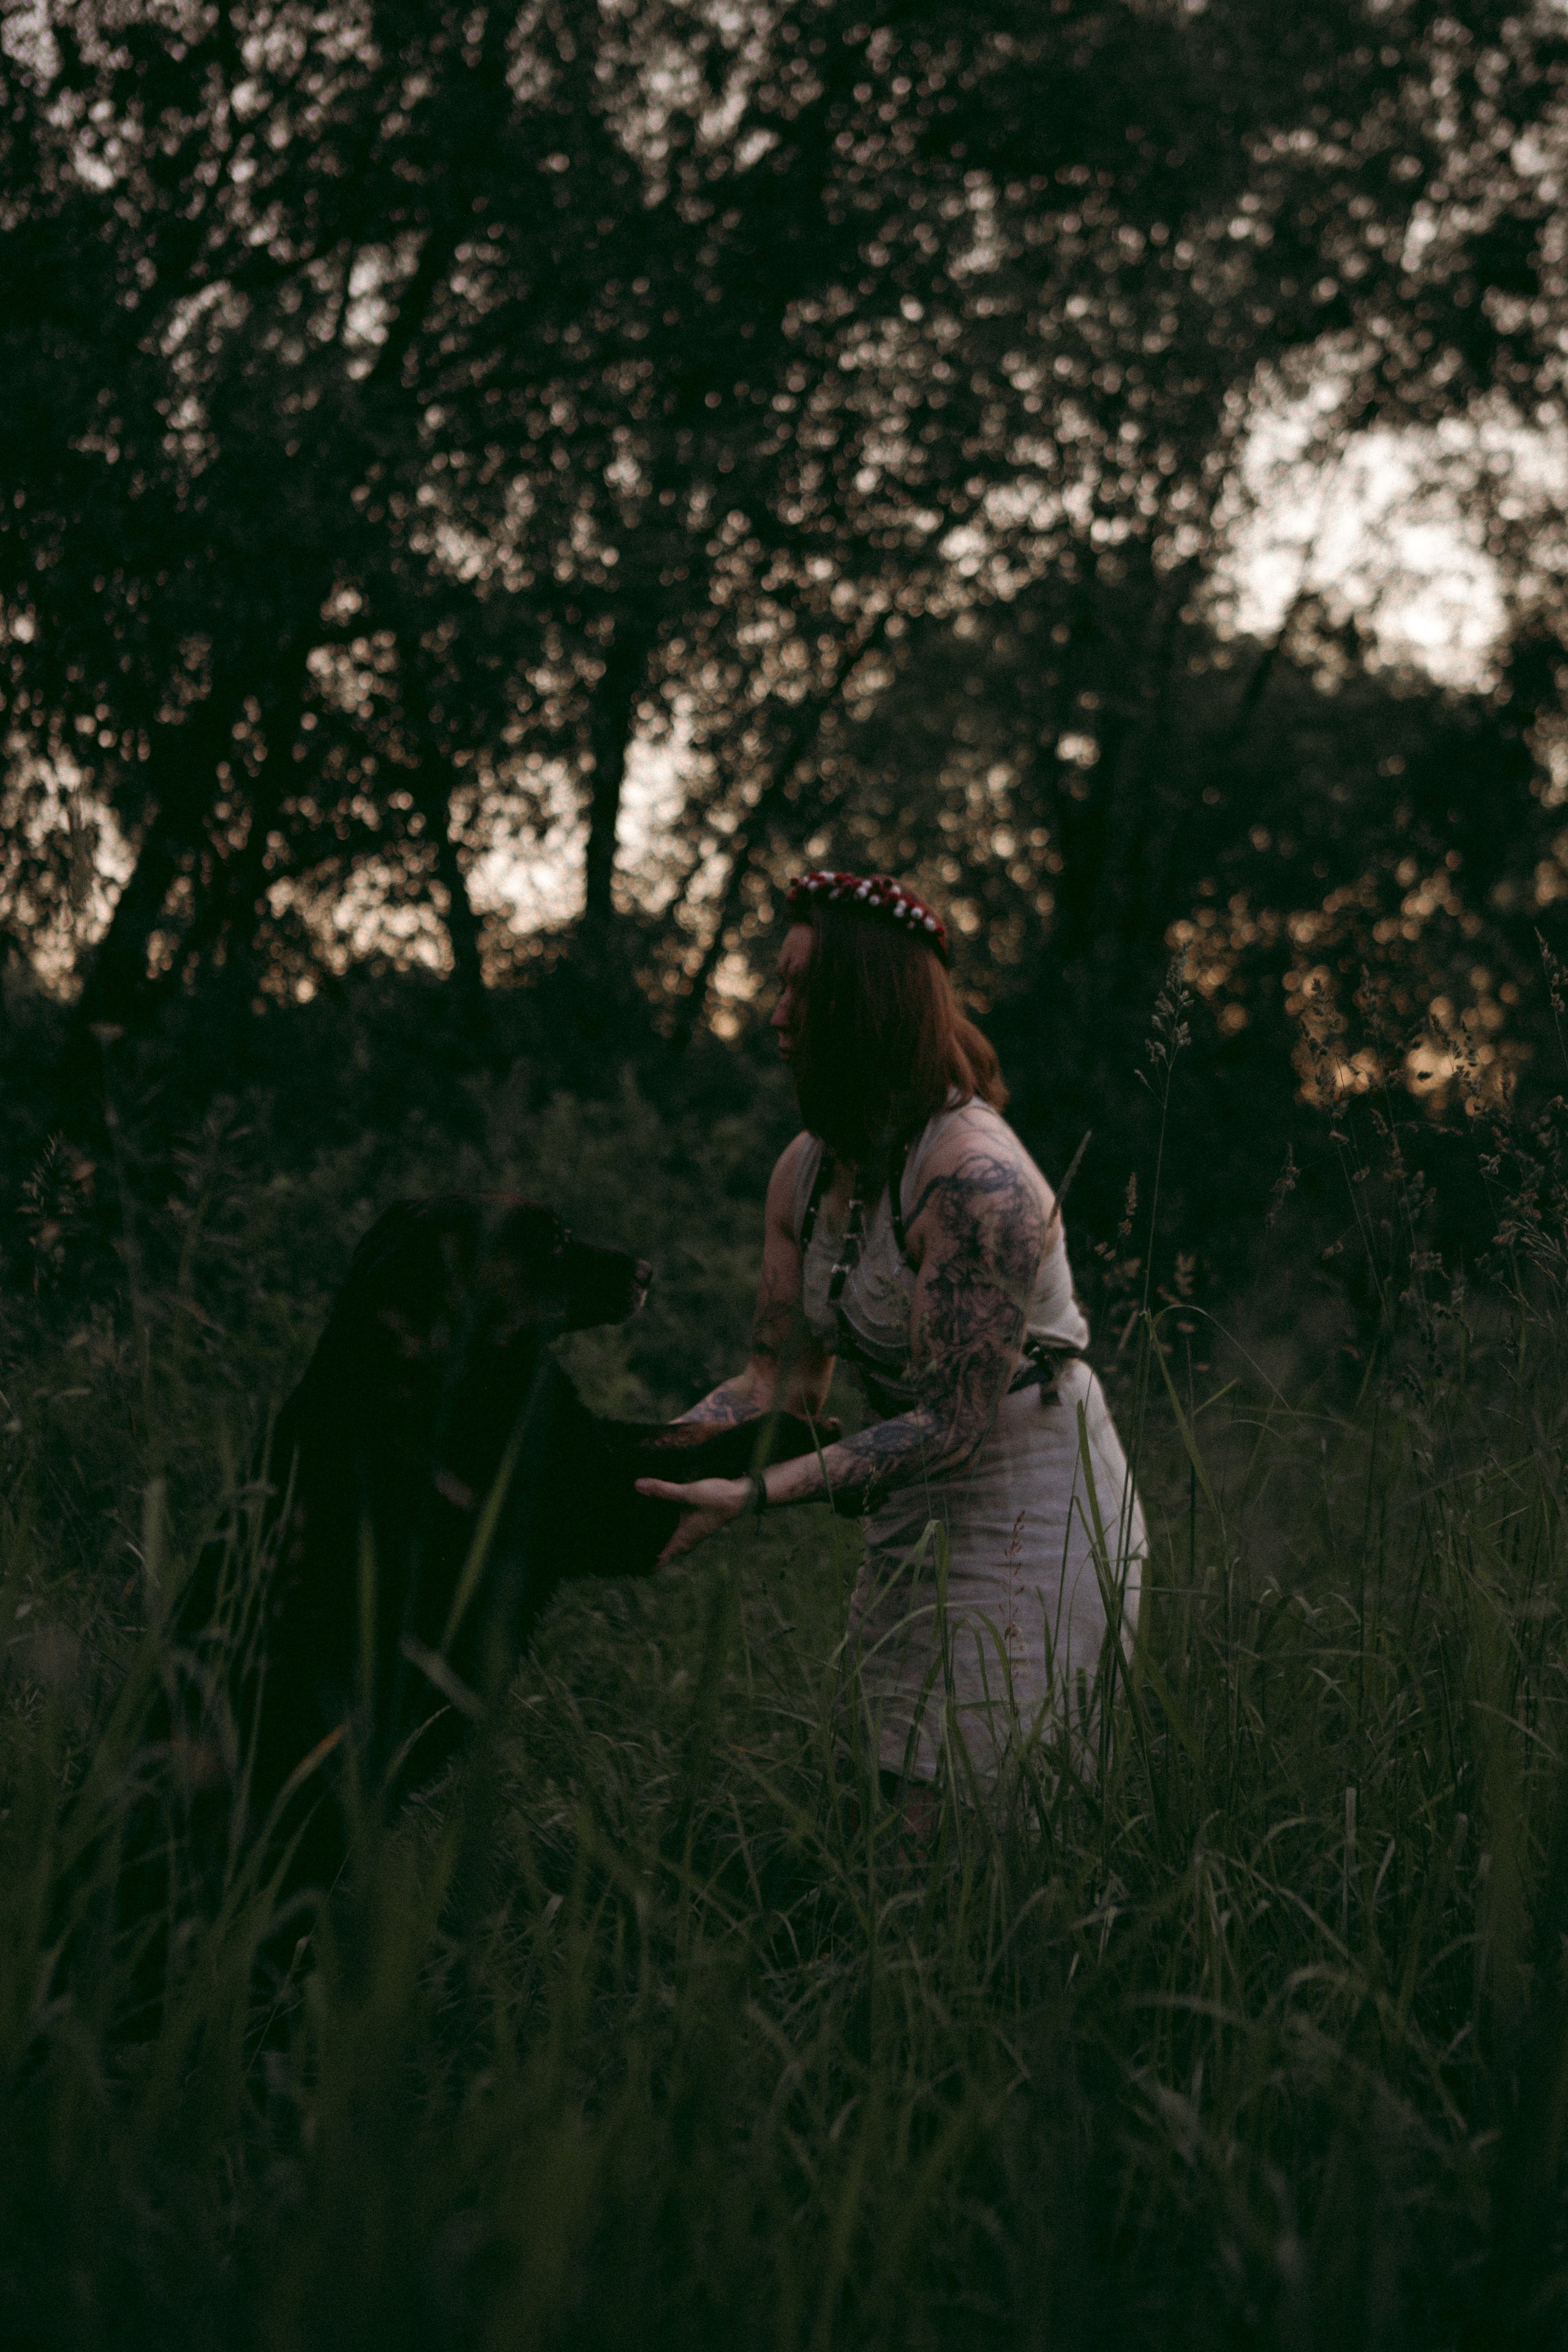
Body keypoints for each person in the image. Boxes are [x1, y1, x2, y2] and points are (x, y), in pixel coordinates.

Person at [635, 870, 1145, 1795]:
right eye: (777, 984)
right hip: (909, 1500)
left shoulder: (976, 1181)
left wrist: (751, 1493)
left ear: (861, 1009)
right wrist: (646, 1461)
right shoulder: (804, 1170)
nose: (777, 1014)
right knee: (875, 1792)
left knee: (973, 1821)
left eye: (801, 989)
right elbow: (778, 1386)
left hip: (1035, 1500)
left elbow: (951, 1428)